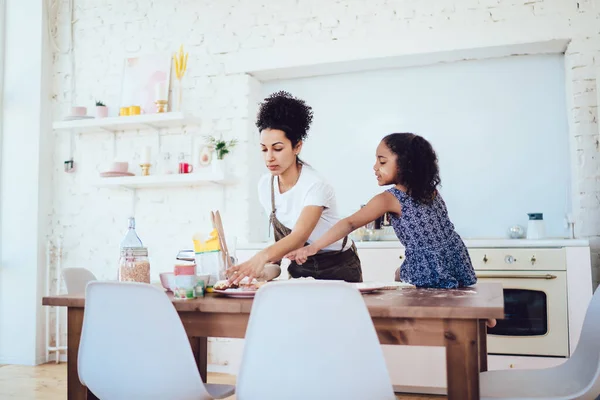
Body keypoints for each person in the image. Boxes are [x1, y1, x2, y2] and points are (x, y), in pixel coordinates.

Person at [285, 132, 497, 327]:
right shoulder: (430, 191)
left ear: (405, 164)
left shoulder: (390, 199)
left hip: (428, 264)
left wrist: (313, 247)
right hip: (454, 255)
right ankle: (480, 314)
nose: (375, 167)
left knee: (407, 286)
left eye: (382, 161)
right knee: (406, 276)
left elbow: (349, 223)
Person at [226, 91, 362, 285]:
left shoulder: (315, 185)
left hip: (338, 267)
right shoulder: (266, 186)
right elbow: (280, 255)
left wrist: (260, 257)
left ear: (297, 146)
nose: (269, 157)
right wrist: (262, 272)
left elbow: (298, 238)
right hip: (299, 268)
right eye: (264, 149)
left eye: (278, 148)